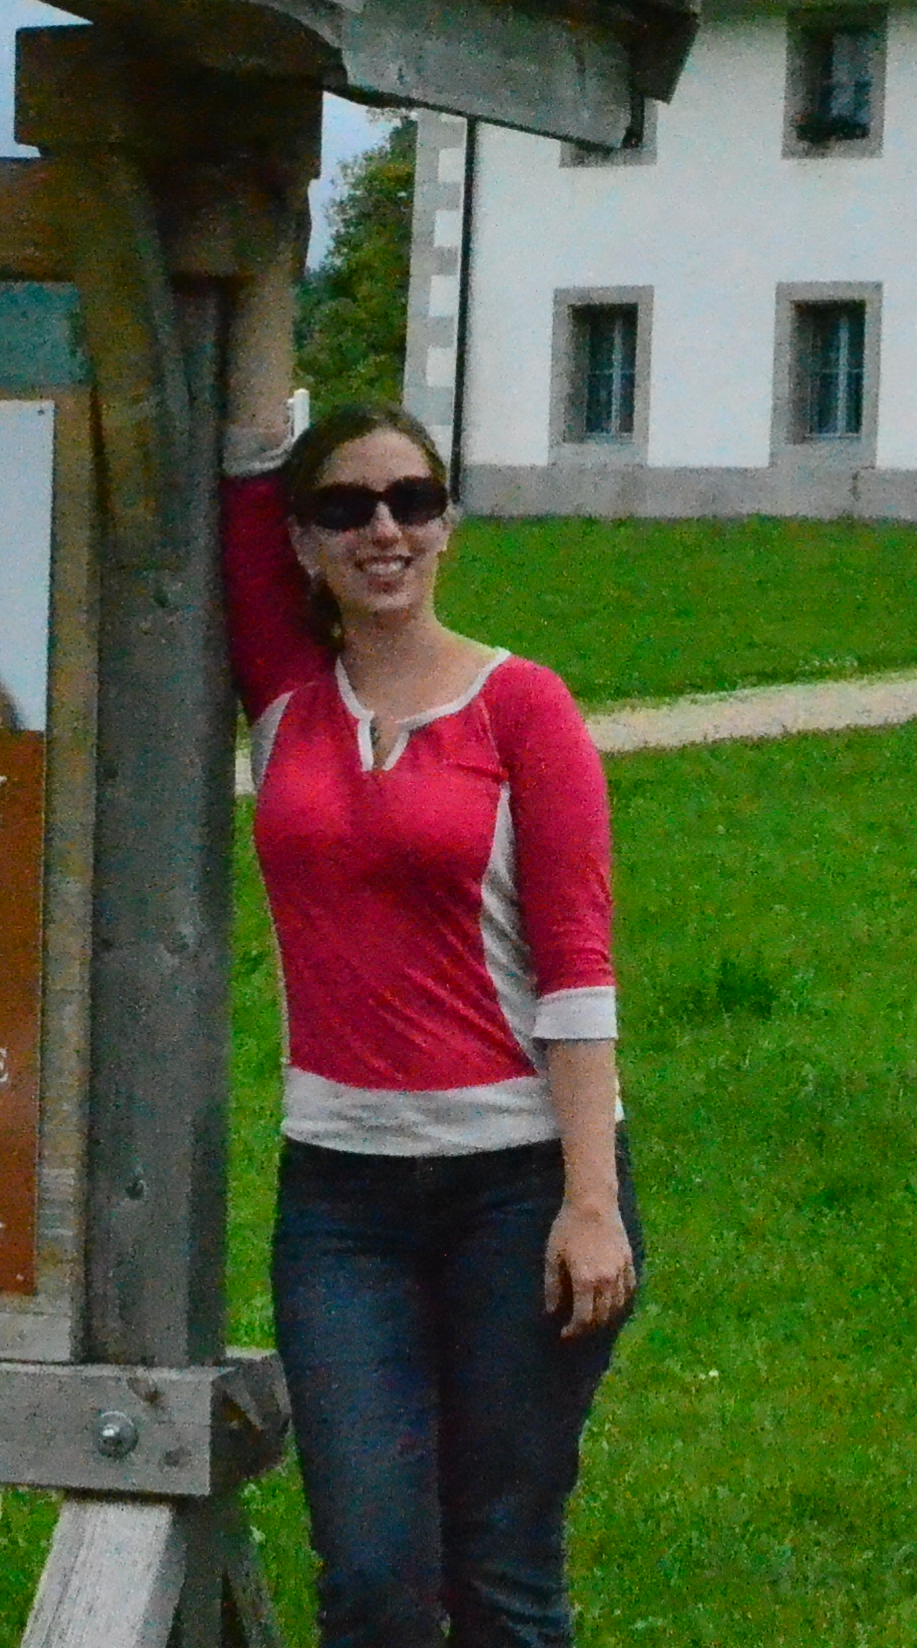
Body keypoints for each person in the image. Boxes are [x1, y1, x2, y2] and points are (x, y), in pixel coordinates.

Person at [223, 404, 636, 1648]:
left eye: (412, 500)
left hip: (518, 1187)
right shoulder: (286, 698)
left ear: (450, 522)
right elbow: (240, 473)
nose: (383, 529)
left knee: (501, 1570)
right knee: (374, 1576)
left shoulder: (526, 710)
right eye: (345, 509)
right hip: (342, 1200)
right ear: (304, 543)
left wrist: (590, 1198)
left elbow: (576, 970)